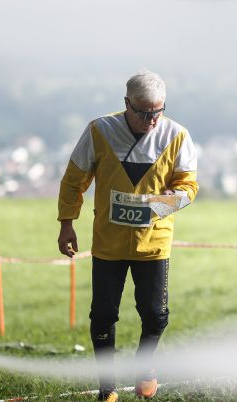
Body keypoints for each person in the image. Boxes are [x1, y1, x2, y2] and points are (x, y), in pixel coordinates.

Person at [57, 70, 199, 401]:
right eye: (143, 112)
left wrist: (159, 205)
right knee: (103, 315)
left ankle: (146, 367)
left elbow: (189, 187)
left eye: (157, 112)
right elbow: (74, 179)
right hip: (108, 244)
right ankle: (107, 388)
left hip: (154, 245)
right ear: (126, 104)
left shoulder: (177, 135)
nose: (151, 120)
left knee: (156, 315)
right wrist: (67, 222)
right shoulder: (99, 130)